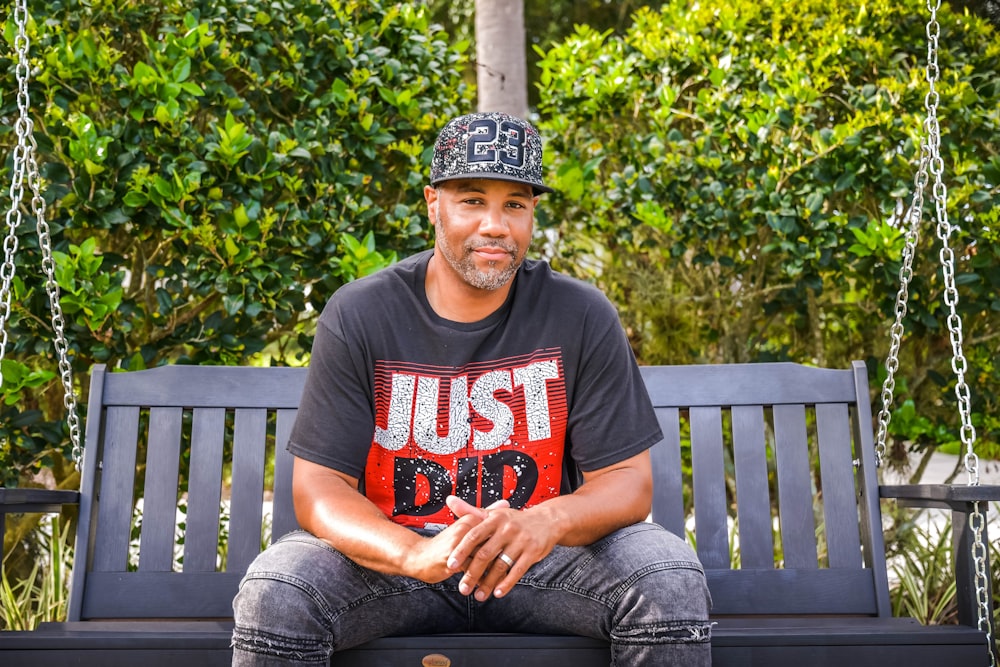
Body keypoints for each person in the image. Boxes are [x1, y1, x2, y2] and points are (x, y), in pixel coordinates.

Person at [231, 111, 712, 666]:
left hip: (542, 562)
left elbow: (627, 482)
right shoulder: (362, 312)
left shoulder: (579, 314)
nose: (495, 225)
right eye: (473, 200)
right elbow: (319, 488)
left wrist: (543, 522)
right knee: (278, 592)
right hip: (395, 565)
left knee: (668, 579)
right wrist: (413, 552)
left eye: (515, 204)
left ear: (532, 214)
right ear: (434, 204)